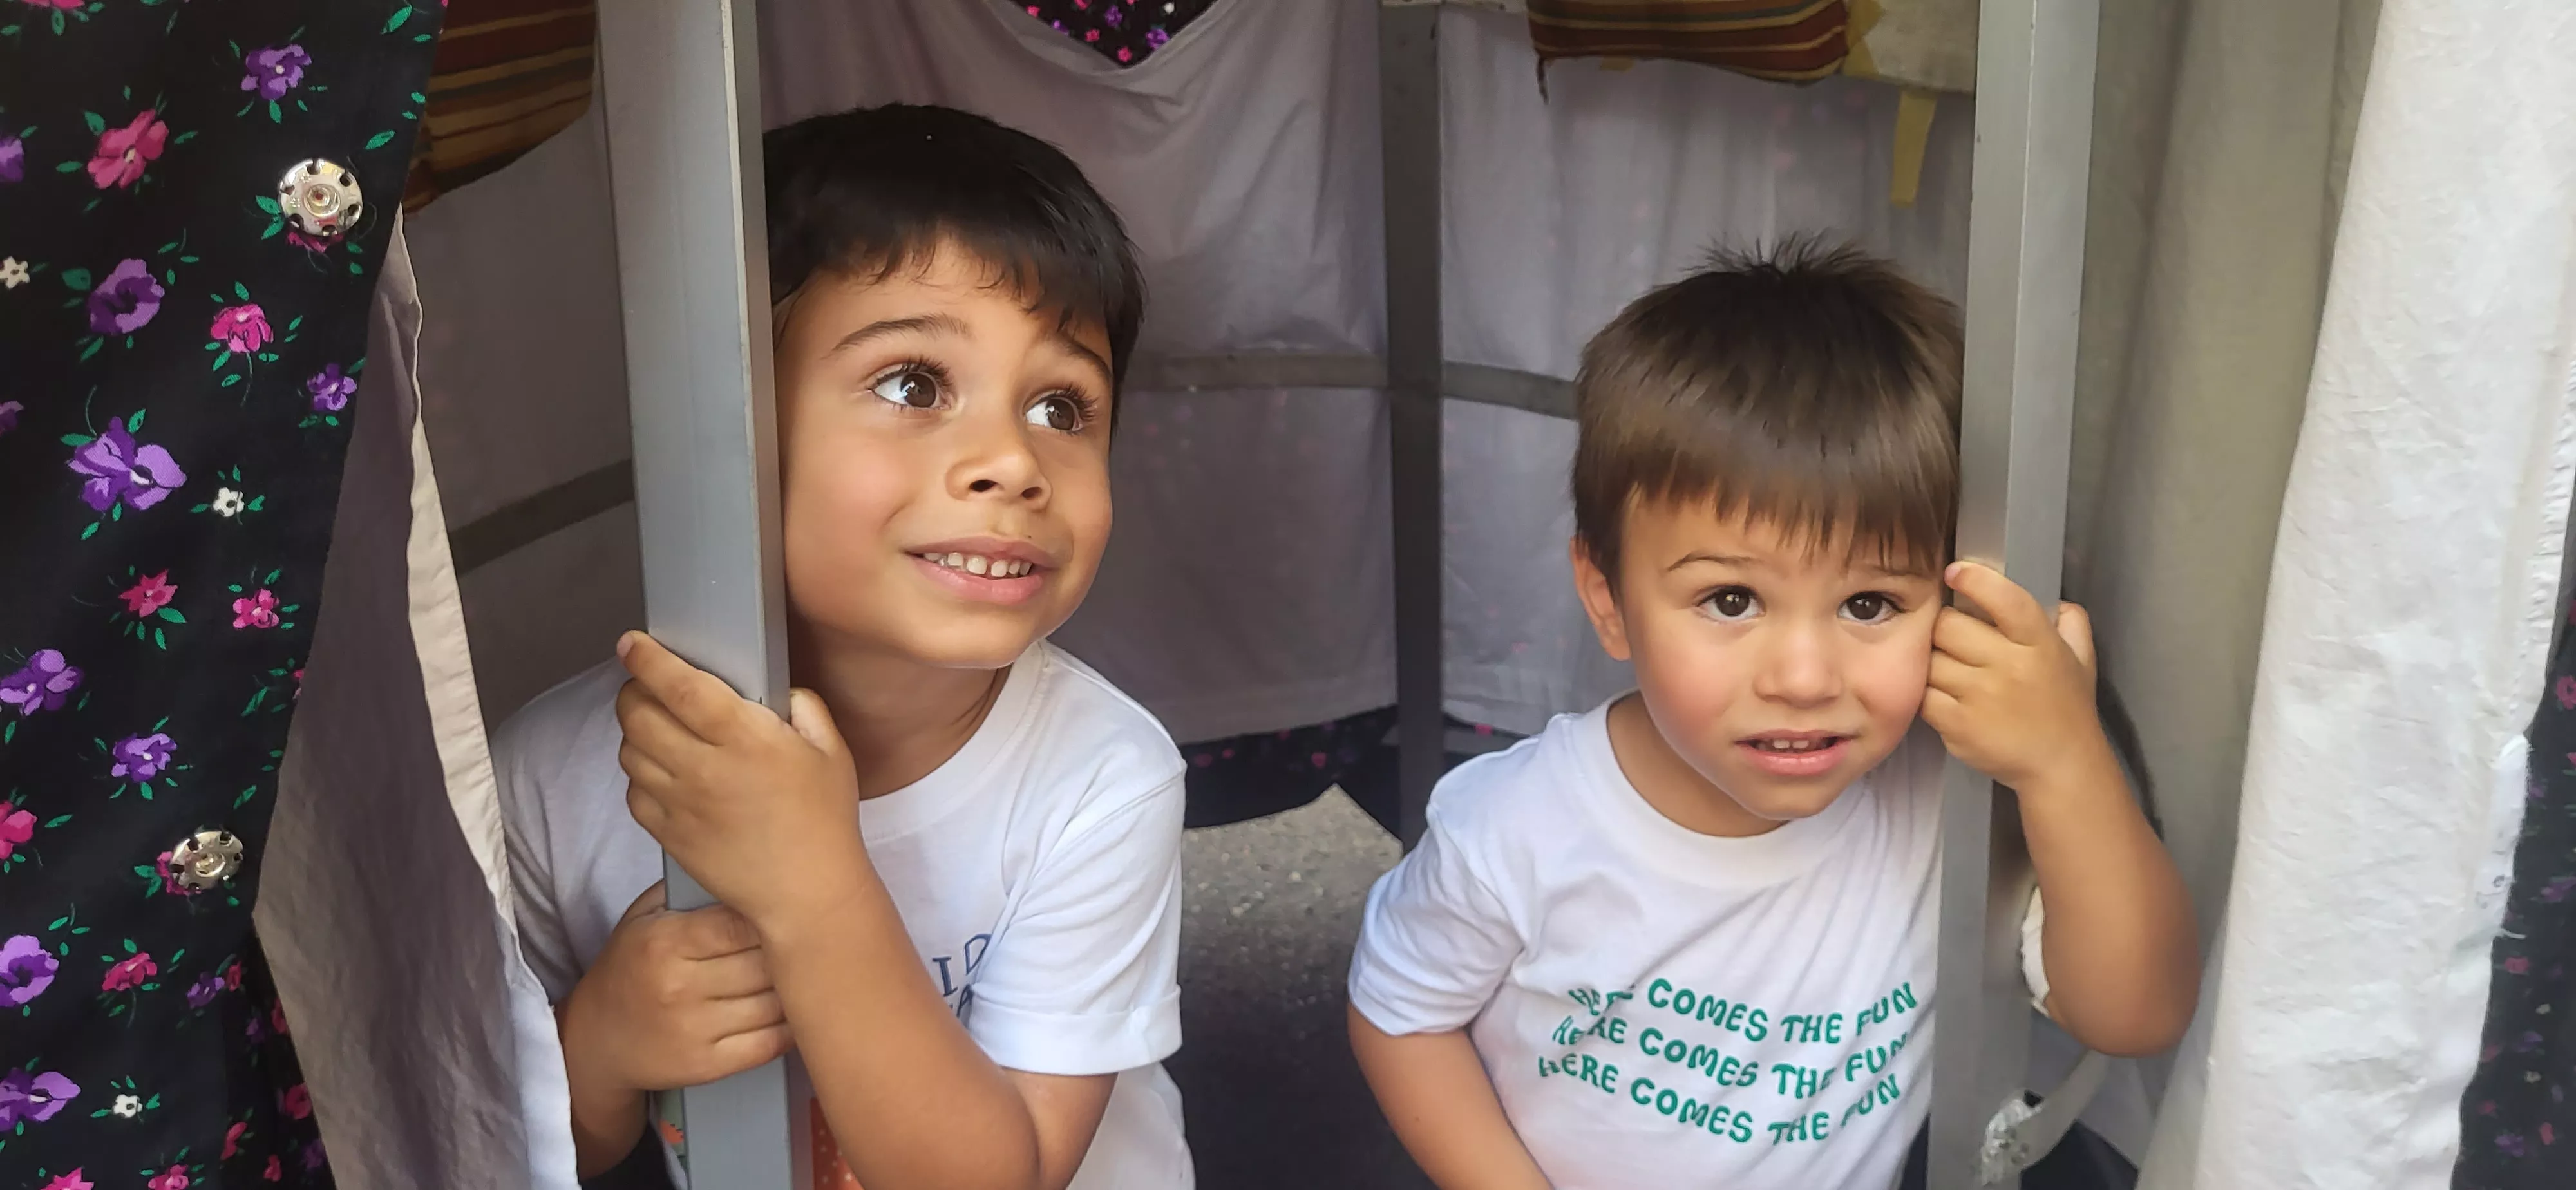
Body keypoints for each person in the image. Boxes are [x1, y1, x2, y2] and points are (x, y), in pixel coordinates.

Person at [1345, 240, 2201, 1189]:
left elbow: (2136, 1014)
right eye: (1731, 600)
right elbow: (1401, 1013)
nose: (1803, 676)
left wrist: (2063, 758)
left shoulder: (1949, 801)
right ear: (1606, 595)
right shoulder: (1510, 830)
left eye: (1869, 605)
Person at [493, 104, 1191, 1190]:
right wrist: (600, 1044)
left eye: (1063, 405)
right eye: (915, 385)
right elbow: (523, 1153)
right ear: (717, 426)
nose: (1011, 460)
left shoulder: (1100, 779)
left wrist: (813, 883)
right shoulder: (551, 775)